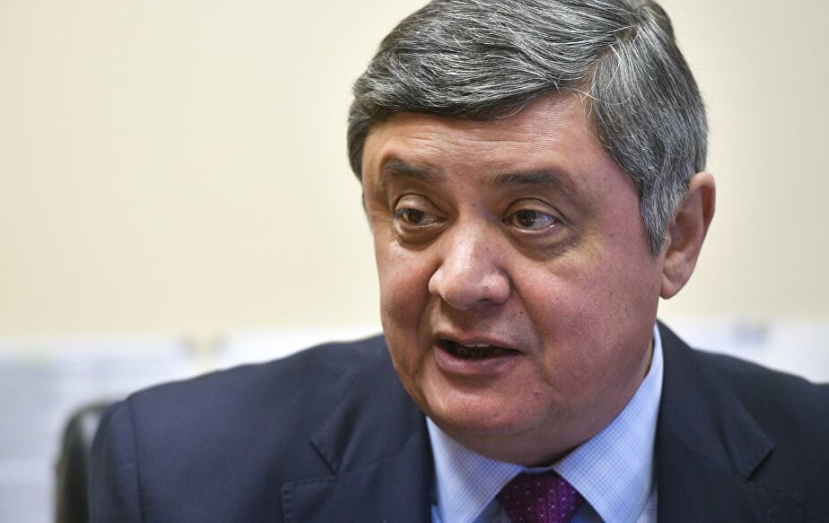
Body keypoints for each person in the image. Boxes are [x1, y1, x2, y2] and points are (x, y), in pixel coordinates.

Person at [89, 0, 829, 521]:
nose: (461, 280)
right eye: (416, 215)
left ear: (677, 235)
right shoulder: (176, 476)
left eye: (531, 218)